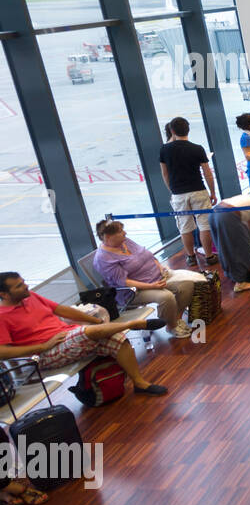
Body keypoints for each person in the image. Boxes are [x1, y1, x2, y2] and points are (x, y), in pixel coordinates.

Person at [0, 273, 168, 395]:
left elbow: (62, 310)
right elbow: (3, 352)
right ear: (4, 294)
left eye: (23, 282)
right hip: (46, 354)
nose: (26, 286)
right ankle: (132, 324)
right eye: (19, 286)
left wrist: (95, 321)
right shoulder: (2, 316)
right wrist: (43, 346)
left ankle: (139, 383)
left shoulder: (31, 297)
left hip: (67, 336)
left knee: (116, 338)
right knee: (84, 333)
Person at [93, 220, 202, 340]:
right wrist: (153, 286)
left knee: (187, 285)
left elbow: (147, 255)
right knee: (166, 297)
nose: (125, 233)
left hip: (157, 278)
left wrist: (160, 267)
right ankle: (170, 326)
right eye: (120, 231)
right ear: (108, 237)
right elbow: (125, 282)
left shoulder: (125, 242)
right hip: (134, 291)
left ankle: (176, 319)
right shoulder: (103, 259)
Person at [159, 117, 218, 267]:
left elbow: (165, 174)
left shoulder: (164, 150)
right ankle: (209, 256)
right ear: (188, 130)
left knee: (184, 227)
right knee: (204, 224)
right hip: (198, 189)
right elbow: (207, 173)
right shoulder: (197, 148)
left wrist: (172, 190)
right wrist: (212, 192)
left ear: (172, 131)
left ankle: (191, 257)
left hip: (178, 193)